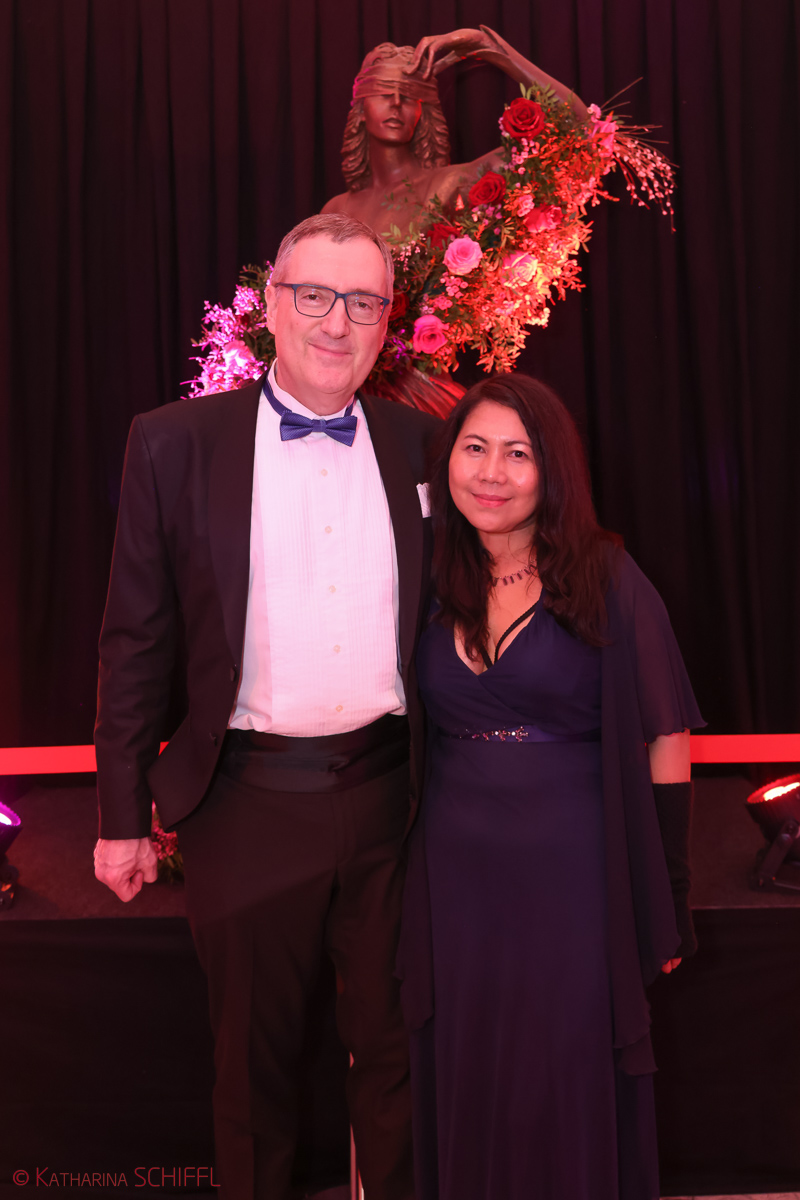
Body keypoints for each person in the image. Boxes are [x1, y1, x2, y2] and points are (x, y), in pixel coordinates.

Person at [93, 212, 440, 1200]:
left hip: (398, 802)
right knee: (252, 1072)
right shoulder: (172, 444)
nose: (337, 322)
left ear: (387, 322)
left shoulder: (427, 446)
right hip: (243, 805)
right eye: (315, 296)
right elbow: (134, 641)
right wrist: (121, 816)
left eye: (362, 302)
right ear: (272, 306)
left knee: (401, 1054)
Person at [396, 374, 704, 1200]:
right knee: (468, 1062)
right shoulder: (427, 574)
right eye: (474, 448)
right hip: (453, 880)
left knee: (564, 1066)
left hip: (574, 875)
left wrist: (669, 886)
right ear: (448, 461)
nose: (491, 473)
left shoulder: (605, 572)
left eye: (518, 454)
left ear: (551, 470)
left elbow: (666, 733)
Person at [322, 27, 589, 241]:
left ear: (422, 112)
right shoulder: (336, 210)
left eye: (409, 96)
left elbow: (579, 129)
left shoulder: (449, 185)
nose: (396, 102)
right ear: (361, 109)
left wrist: (488, 47)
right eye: (383, 93)